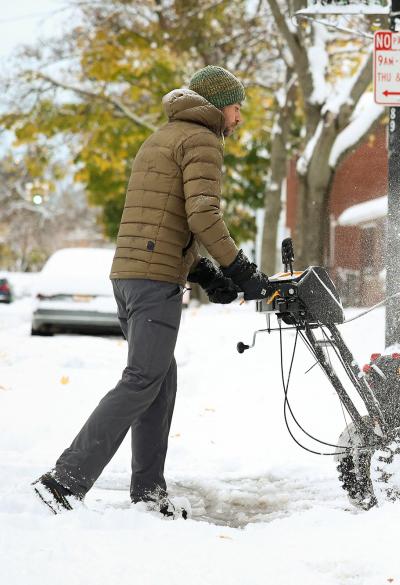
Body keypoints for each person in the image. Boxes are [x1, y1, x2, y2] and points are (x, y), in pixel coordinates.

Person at [32, 66, 270, 518]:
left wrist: (202, 273)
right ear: (219, 105)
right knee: (143, 380)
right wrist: (239, 269)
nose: (239, 119)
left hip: (131, 276)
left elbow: (161, 222)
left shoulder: (163, 136)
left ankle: (148, 493)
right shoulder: (202, 140)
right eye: (237, 107)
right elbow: (202, 215)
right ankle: (64, 480)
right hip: (152, 281)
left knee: (159, 379)